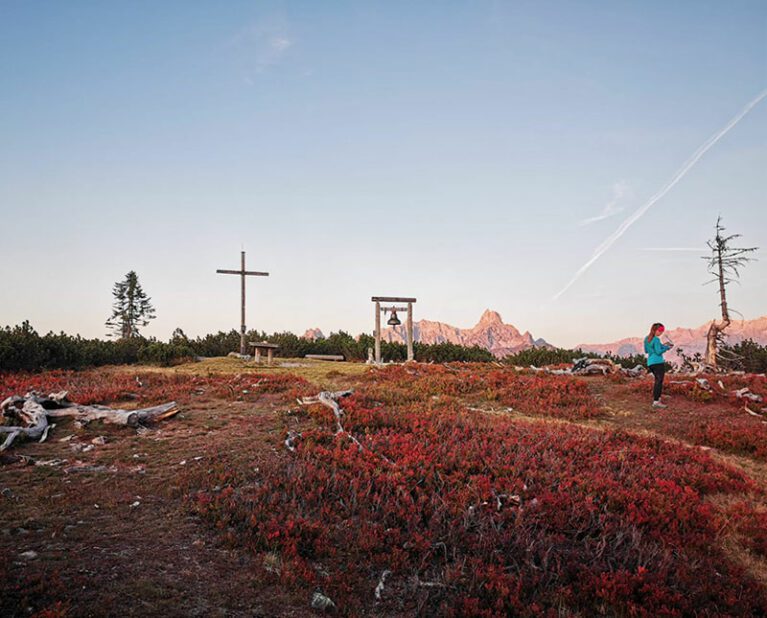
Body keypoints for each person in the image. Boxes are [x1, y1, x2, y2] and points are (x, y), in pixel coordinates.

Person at [644, 322, 673, 409]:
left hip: (650, 363)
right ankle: (656, 402)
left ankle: (657, 398)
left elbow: (646, 350)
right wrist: (667, 348)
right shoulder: (656, 339)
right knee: (659, 382)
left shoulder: (647, 339)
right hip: (658, 362)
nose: (661, 333)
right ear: (655, 330)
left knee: (657, 381)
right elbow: (658, 351)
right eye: (660, 331)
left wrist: (663, 346)